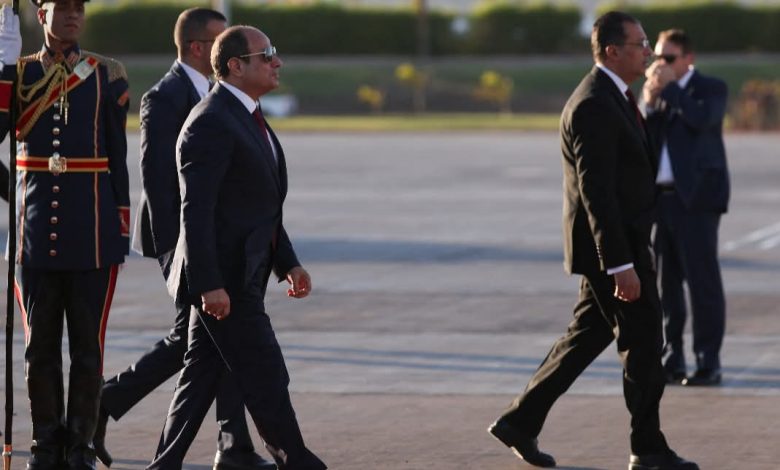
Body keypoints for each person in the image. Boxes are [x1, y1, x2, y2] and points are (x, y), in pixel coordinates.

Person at [487, 11, 699, 470]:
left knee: (586, 337)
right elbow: (596, 193)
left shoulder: (615, 96)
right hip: (614, 251)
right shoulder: (593, 104)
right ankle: (648, 448)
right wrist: (619, 265)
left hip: (620, 244)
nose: (649, 52)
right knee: (644, 345)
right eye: (640, 44)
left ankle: (520, 421)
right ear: (612, 51)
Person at [93, 8, 276, 470]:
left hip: (218, 243)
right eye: (219, 39)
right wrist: (185, 256)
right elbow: (160, 183)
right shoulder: (164, 97)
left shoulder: (221, 94)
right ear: (198, 47)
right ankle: (110, 405)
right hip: (183, 243)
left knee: (210, 342)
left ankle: (231, 444)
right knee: (201, 341)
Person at [146, 25, 326, 470]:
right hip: (225, 283)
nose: (277, 62)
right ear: (235, 66)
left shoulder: (246, 116)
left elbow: (260, 206)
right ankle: (299, 462)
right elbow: (196, 211)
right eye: (267, 55)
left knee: (199, 378)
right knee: (266, 375)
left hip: (241, 275)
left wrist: (288, 263)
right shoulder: (210, 121)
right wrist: (209, 284)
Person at [0, 1, 130, 469]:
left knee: (88, 350)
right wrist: (2, 68)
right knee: (40, 350)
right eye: (63, 7)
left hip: (91, 231)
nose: (73, 15)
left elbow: (117, 156)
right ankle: (45, 443)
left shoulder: (107, 73)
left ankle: (80, 445)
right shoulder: (19, 74)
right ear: (41, 14)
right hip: (34, 234)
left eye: (79, 8)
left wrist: (119, 222)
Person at [642, 29, 729, 387]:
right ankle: (672, 358)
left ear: (688, 58)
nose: (660, 65)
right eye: (657, 58)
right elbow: (648, 141)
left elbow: (702, 119)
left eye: (668, 58)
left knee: (702, 283)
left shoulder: (710, 88)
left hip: (697, 201)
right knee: (667, 286)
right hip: (662, 200)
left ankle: (708, 361)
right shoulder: (663, 95)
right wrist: (649, 103)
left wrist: (669, 90)